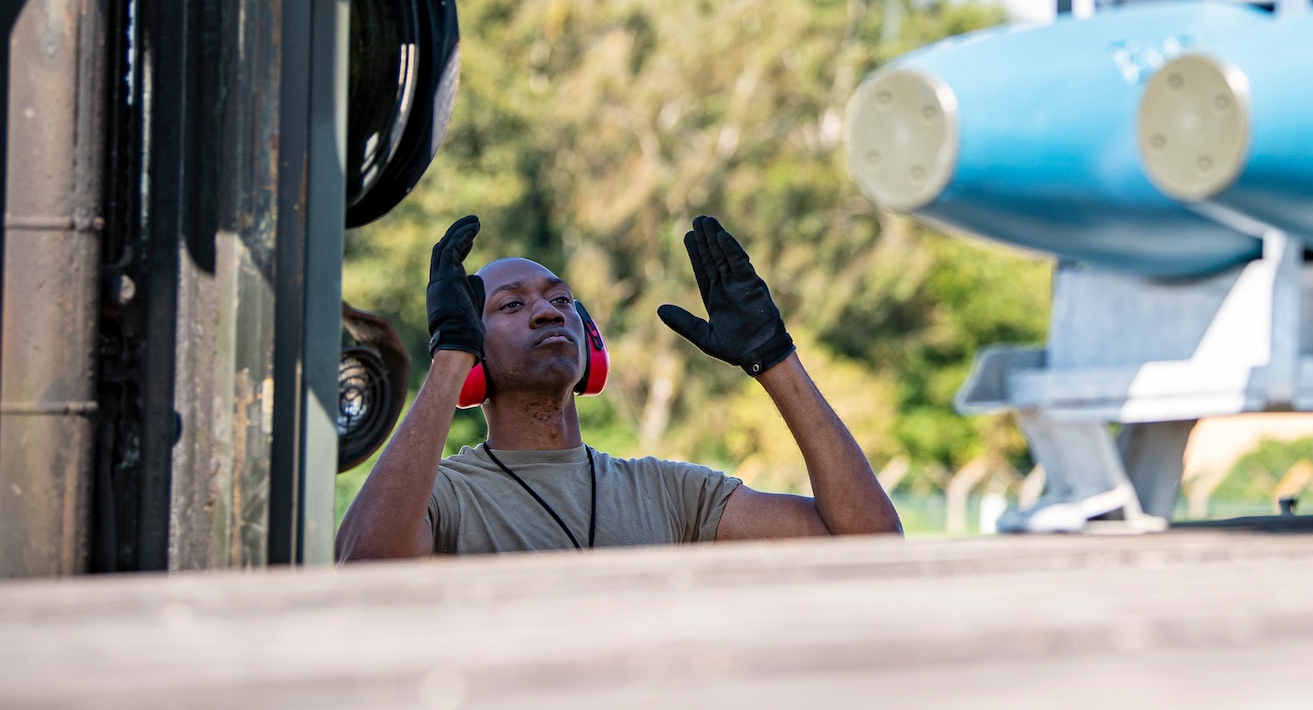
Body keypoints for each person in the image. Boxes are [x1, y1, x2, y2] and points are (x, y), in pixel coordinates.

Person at [337, 214, 902, 559]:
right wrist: (449, 360)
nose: (547, 313)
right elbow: (363, 566)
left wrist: (775, 359)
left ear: (592, 342)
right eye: (511, 305)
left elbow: (871, 543)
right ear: (473, 356)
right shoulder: (443, 496)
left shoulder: (671, 493)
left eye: (561, 301)